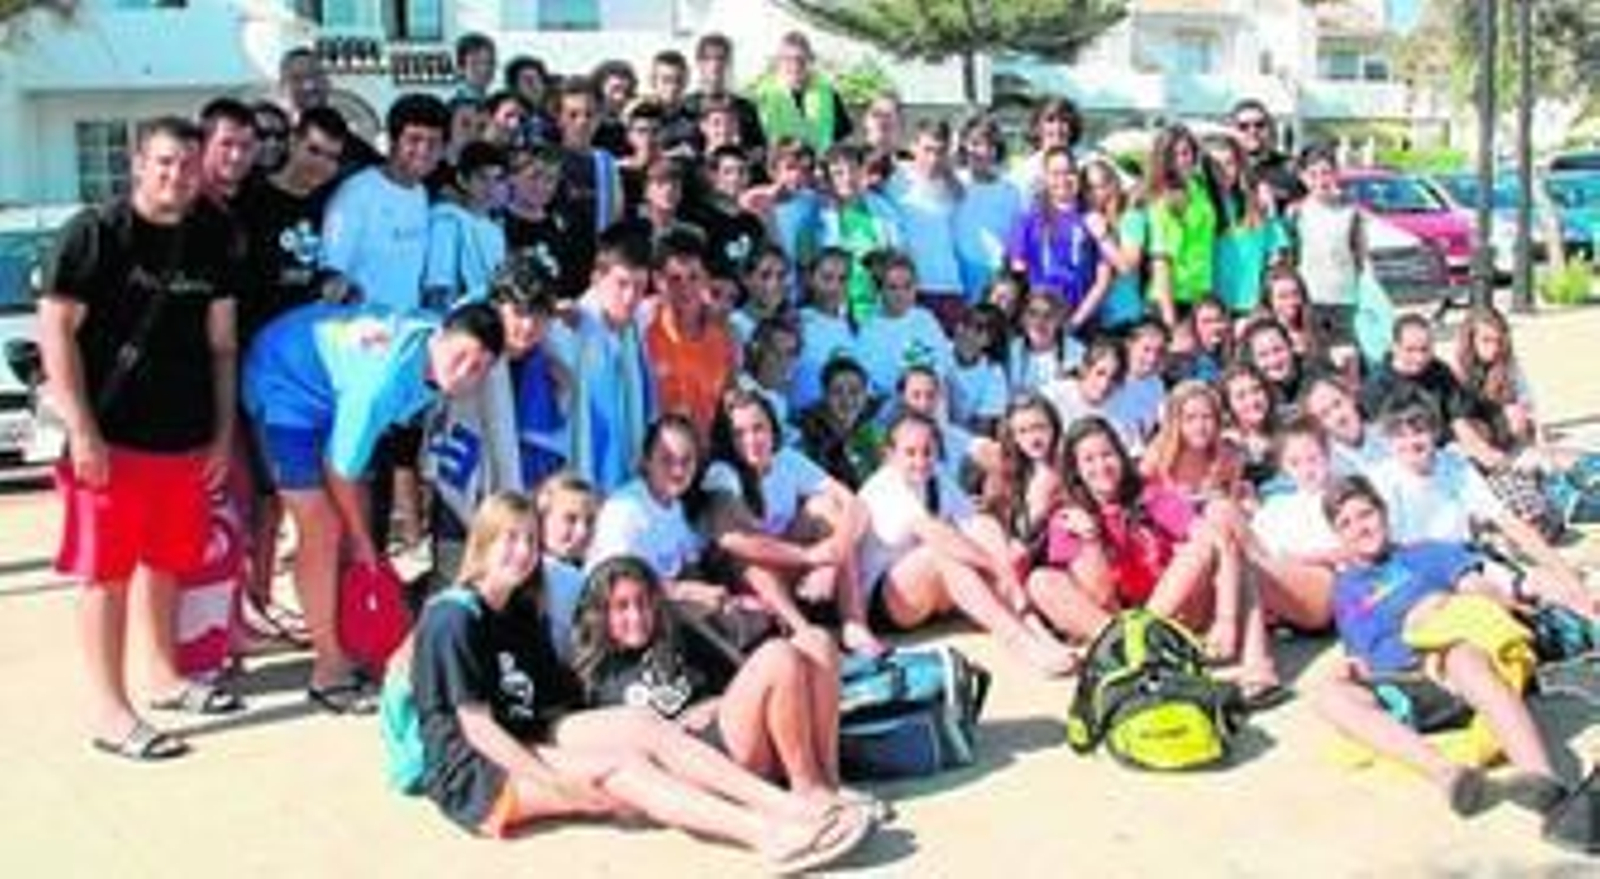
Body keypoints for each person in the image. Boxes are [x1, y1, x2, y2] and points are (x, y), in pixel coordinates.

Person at [408, 493, 875, 869]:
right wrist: (558, 780)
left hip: (531, 731)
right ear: (483, 542)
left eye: (530, 539)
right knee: (621, 768)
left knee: (644, 726)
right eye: (510, 539)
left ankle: (789, 805)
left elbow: (550, 702)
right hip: (478, 771)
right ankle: (767, 835)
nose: (524, 551)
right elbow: (477, 730)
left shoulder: (518, 608)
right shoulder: (452, 618)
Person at [40, 116, 245, 760]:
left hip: (184, 440)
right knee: (106, 575)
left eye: (187, 165)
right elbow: (56, 333)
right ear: (138, 164)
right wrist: (81, 430)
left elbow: (222, 344)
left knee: (168, 561)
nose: (176, 176)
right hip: (111, 439)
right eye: (163, 163)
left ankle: (163, 675)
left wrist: (221, 435)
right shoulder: (95, 234)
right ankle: (110, 709)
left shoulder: (213, 235)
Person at [242, 301, 504, 713]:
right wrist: (362, 539)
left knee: (355, 517)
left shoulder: (436, 343)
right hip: (282, 384)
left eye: (480, 367)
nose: (466, 373)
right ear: (439, 337)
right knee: (324, 527)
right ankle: (328, 668)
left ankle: (350, 638)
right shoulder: (382, 382)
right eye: (460, 357)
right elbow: (339, 469)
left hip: (331, 389)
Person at [1313, 475, 1578, 825]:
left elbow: (1490, 598)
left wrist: (1442, 604)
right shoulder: (1346, 591)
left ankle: (1541, 779)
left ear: (1384, 512)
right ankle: (1449, 775)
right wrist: (1348, 670)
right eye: (1345, 523)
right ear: (1337, 535)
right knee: (1328, 695)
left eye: (1366, 514)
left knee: (1461, 657)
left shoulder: (1427, 554)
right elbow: (1361, 656)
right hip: (1402, 686)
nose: (1360, 528)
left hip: (1453, 664)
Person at [572, 555, 871, 810]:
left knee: (817, 640)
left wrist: (714, 705)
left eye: (642, 602)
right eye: (621, 607)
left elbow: (738, 678)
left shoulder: (677, 634)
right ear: (600, 613)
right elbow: (622, 750)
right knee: (777, 655)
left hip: (733, 729)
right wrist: (674, 727)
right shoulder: (598, 675)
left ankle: (829, 780)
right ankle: (807, 787)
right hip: (698, 762)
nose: (636, 616)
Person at [1028, 417, 1282, 702]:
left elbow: (1216, 539)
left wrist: (1226, 620)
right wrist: (1090, 538)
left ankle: (1256, 663)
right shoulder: (1067, 518)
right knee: (1040, 581)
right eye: (1089, 460)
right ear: (1076, 470)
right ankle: (1133, 649)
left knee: (1216, 544)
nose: (1101, 466)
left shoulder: (1149, 496)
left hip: (1171, 613)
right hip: (1112, 624)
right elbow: (1100, 597)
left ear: (1121, 456)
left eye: (1107, 454)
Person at [858, 412, 1080, 677]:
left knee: (985, 525)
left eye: (927, 451)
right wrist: (998, 568)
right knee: (943, 554)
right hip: (886, 603)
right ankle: (1020, 642)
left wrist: (1000, 560)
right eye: (910, 453)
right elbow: (938, 535)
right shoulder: (886, 487)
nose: (920, 461)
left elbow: (973, 524)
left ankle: (1034, 627)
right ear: (890, 455)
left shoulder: (935, 478)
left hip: (929, 592)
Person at [545, 225, 657, 493]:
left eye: (639, 286)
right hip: (576, 489)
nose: (630, 297)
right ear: (596, 279)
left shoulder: (636, 331)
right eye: (621, 284)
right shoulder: (564, 332)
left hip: (627, 490)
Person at [321, 92, 449, 312]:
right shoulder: (355, 193)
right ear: (392, 141)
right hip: (358, 328)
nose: (423, 150)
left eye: (433, 142)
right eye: (414, 140)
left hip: (406, 327)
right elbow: (329, 276)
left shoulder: (421, 193)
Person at [642, 227, 740, 441]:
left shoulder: (725, 338)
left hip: (704, 454)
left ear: (706, 279)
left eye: (694, 277)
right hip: (652, 454)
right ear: (658, 280)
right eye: (675, 279)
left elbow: (732, 403)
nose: (685, 288)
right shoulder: (641, 329)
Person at [1007, 146, 1110, 333]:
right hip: (1039, 322)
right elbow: (1019, 274)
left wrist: (1074, 323)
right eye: (1055, 173)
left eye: (1069, 172)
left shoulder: (1092, 218)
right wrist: (1037, 318)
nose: (1062, 179)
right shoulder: (1028, 218)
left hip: (1083, 320)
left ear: (1078, 176)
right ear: (1045, 177)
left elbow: (1103, 280)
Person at [1287, 144, 1364, 359]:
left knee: (1347, 357)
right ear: (1303, 177)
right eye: (1313, 174)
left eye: (1326, 172)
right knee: (1314, 356)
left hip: (1345, 298)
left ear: (1336, 173)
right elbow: (1292, 255)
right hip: (1310, 298)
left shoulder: (1351, 212)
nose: (1320, 180)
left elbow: (1359, 255)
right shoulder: (1296, 212)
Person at [884, 119, 964, 322]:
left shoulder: (954, 185)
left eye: (940, 151)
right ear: (913, 147)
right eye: (927, 150)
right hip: (910, 288)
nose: (933, 158)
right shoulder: (894, 179)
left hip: (950, 288)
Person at [1145, 125, 1221, 328]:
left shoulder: (1199, 189)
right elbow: (1161, 261)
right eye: (1174, 155)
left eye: (1186, 152)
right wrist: (1169, 317)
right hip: (1172, 298)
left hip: (1201, 294)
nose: (1181, 160)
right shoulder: (1163, 201)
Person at [853, 251, 954, 398]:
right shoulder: (869, 331)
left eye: (907, 286)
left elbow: (945, 364)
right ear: (880, 290)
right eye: (893, 287)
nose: (900, 294)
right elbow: (873, 387)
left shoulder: (926, 319)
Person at [422, 141, 509, 310]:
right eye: (482, 178)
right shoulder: (446, 220)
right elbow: (438, 289)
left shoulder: (496, 231)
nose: (491, 187)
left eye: (498, 179)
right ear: (462, 180)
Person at [953, 113, 1023, 300]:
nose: (982, 151)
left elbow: (1015, 240)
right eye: (975, 143)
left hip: (996, 276)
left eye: (989, 145)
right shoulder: (954, 182)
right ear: (964, 146)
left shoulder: (1010, 191)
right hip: (959, 275)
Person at [753, 31, 852, 153]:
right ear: (778, 61)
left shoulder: (828, 94)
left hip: (820, 163)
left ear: (811, 60)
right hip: (779, 163)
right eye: (788, 59)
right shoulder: (763, 96)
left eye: (801, 60)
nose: (795, 66)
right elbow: (755, 144)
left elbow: (843, 139)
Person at [796, 356, 883, 490]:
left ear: (866, 395)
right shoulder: (806, 435)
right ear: (825, 395)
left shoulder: (876, 429)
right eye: (837, 391)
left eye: (854, 391)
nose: (847, 400)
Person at [684, 33, 766, 160]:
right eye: (708, 58)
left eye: (721, 58)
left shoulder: (746, 108)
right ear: (699, 63)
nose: (715, 64)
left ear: (729, 63)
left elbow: (759, 150)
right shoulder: (686, 107)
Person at [1229, 98, 1303, 211]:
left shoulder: (1291, 167)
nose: (1252, 131)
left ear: (1270, 127)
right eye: (1243, 126)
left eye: (1259, 125)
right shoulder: (1221, 169)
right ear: (1233, 130)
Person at [452, 32, 497, 100]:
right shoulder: (459, 102)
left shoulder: (486, 99)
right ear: (461, 66)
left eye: (490, 63)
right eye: (476, 64)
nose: (484, 69)